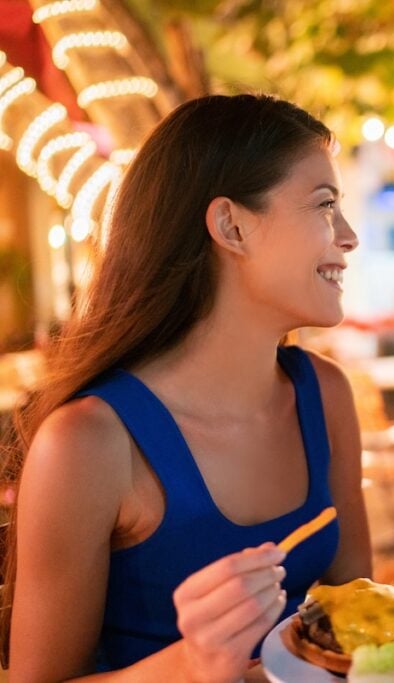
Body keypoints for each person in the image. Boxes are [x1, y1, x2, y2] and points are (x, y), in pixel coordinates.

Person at [1, 93, 371, 680]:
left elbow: (365, 624)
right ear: (231, 226)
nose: (348, 237)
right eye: (325, 204)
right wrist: (191, 663)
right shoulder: (88, 443)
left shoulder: (325, 395)